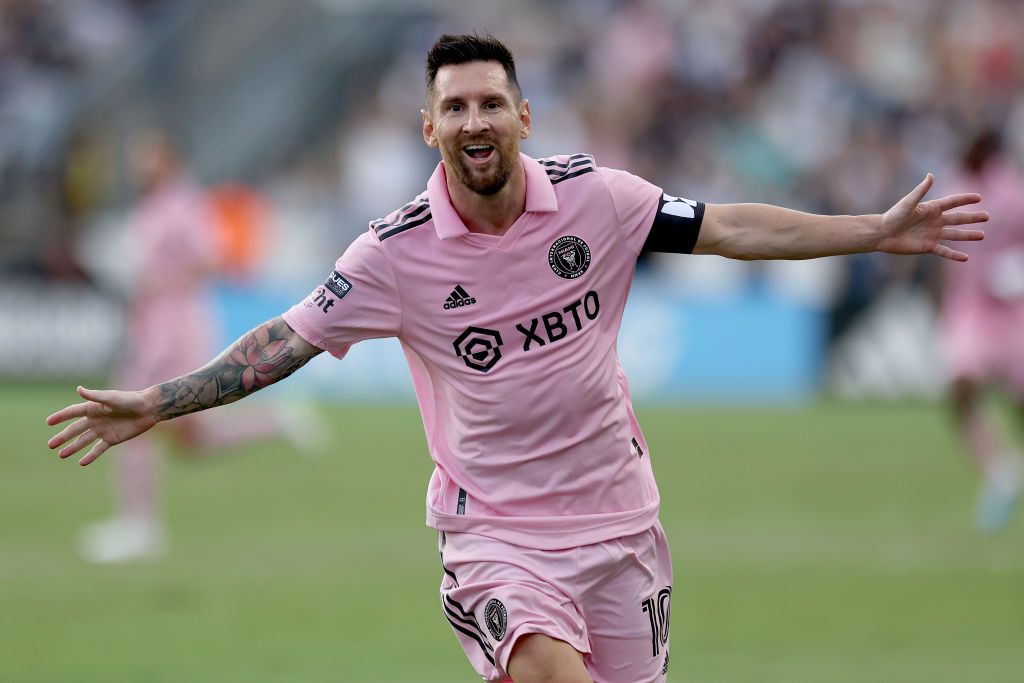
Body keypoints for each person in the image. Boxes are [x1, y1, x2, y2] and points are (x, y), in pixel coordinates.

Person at [47, 34, 987, 683]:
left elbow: (730, 224)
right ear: (430, 129)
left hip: (622, 521)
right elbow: (284, 341)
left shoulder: (601, 202)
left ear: (524, 116)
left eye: (490, 101)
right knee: (541, 661)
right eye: (452, 106)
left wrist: (872, 228)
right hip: (495, 538)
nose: (473, 119)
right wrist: (161, 402)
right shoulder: (393, 252)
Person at [77, 128, 318, 564]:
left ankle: (139, 526)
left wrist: (161, 283)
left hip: (176, 327)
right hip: (157, 323)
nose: (138, 165)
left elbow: (212, 257)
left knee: (125, 406)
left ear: (167, 158)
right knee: (193, 441)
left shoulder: (183, 204)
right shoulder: (155, 205)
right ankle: (275, 422)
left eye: (146, 156)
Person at [939, 127, 1024, 532]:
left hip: (1012, 309)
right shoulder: (955, 185)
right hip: (969, 307)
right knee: (961, 388)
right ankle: (1001, 470)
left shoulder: (1010, 190)